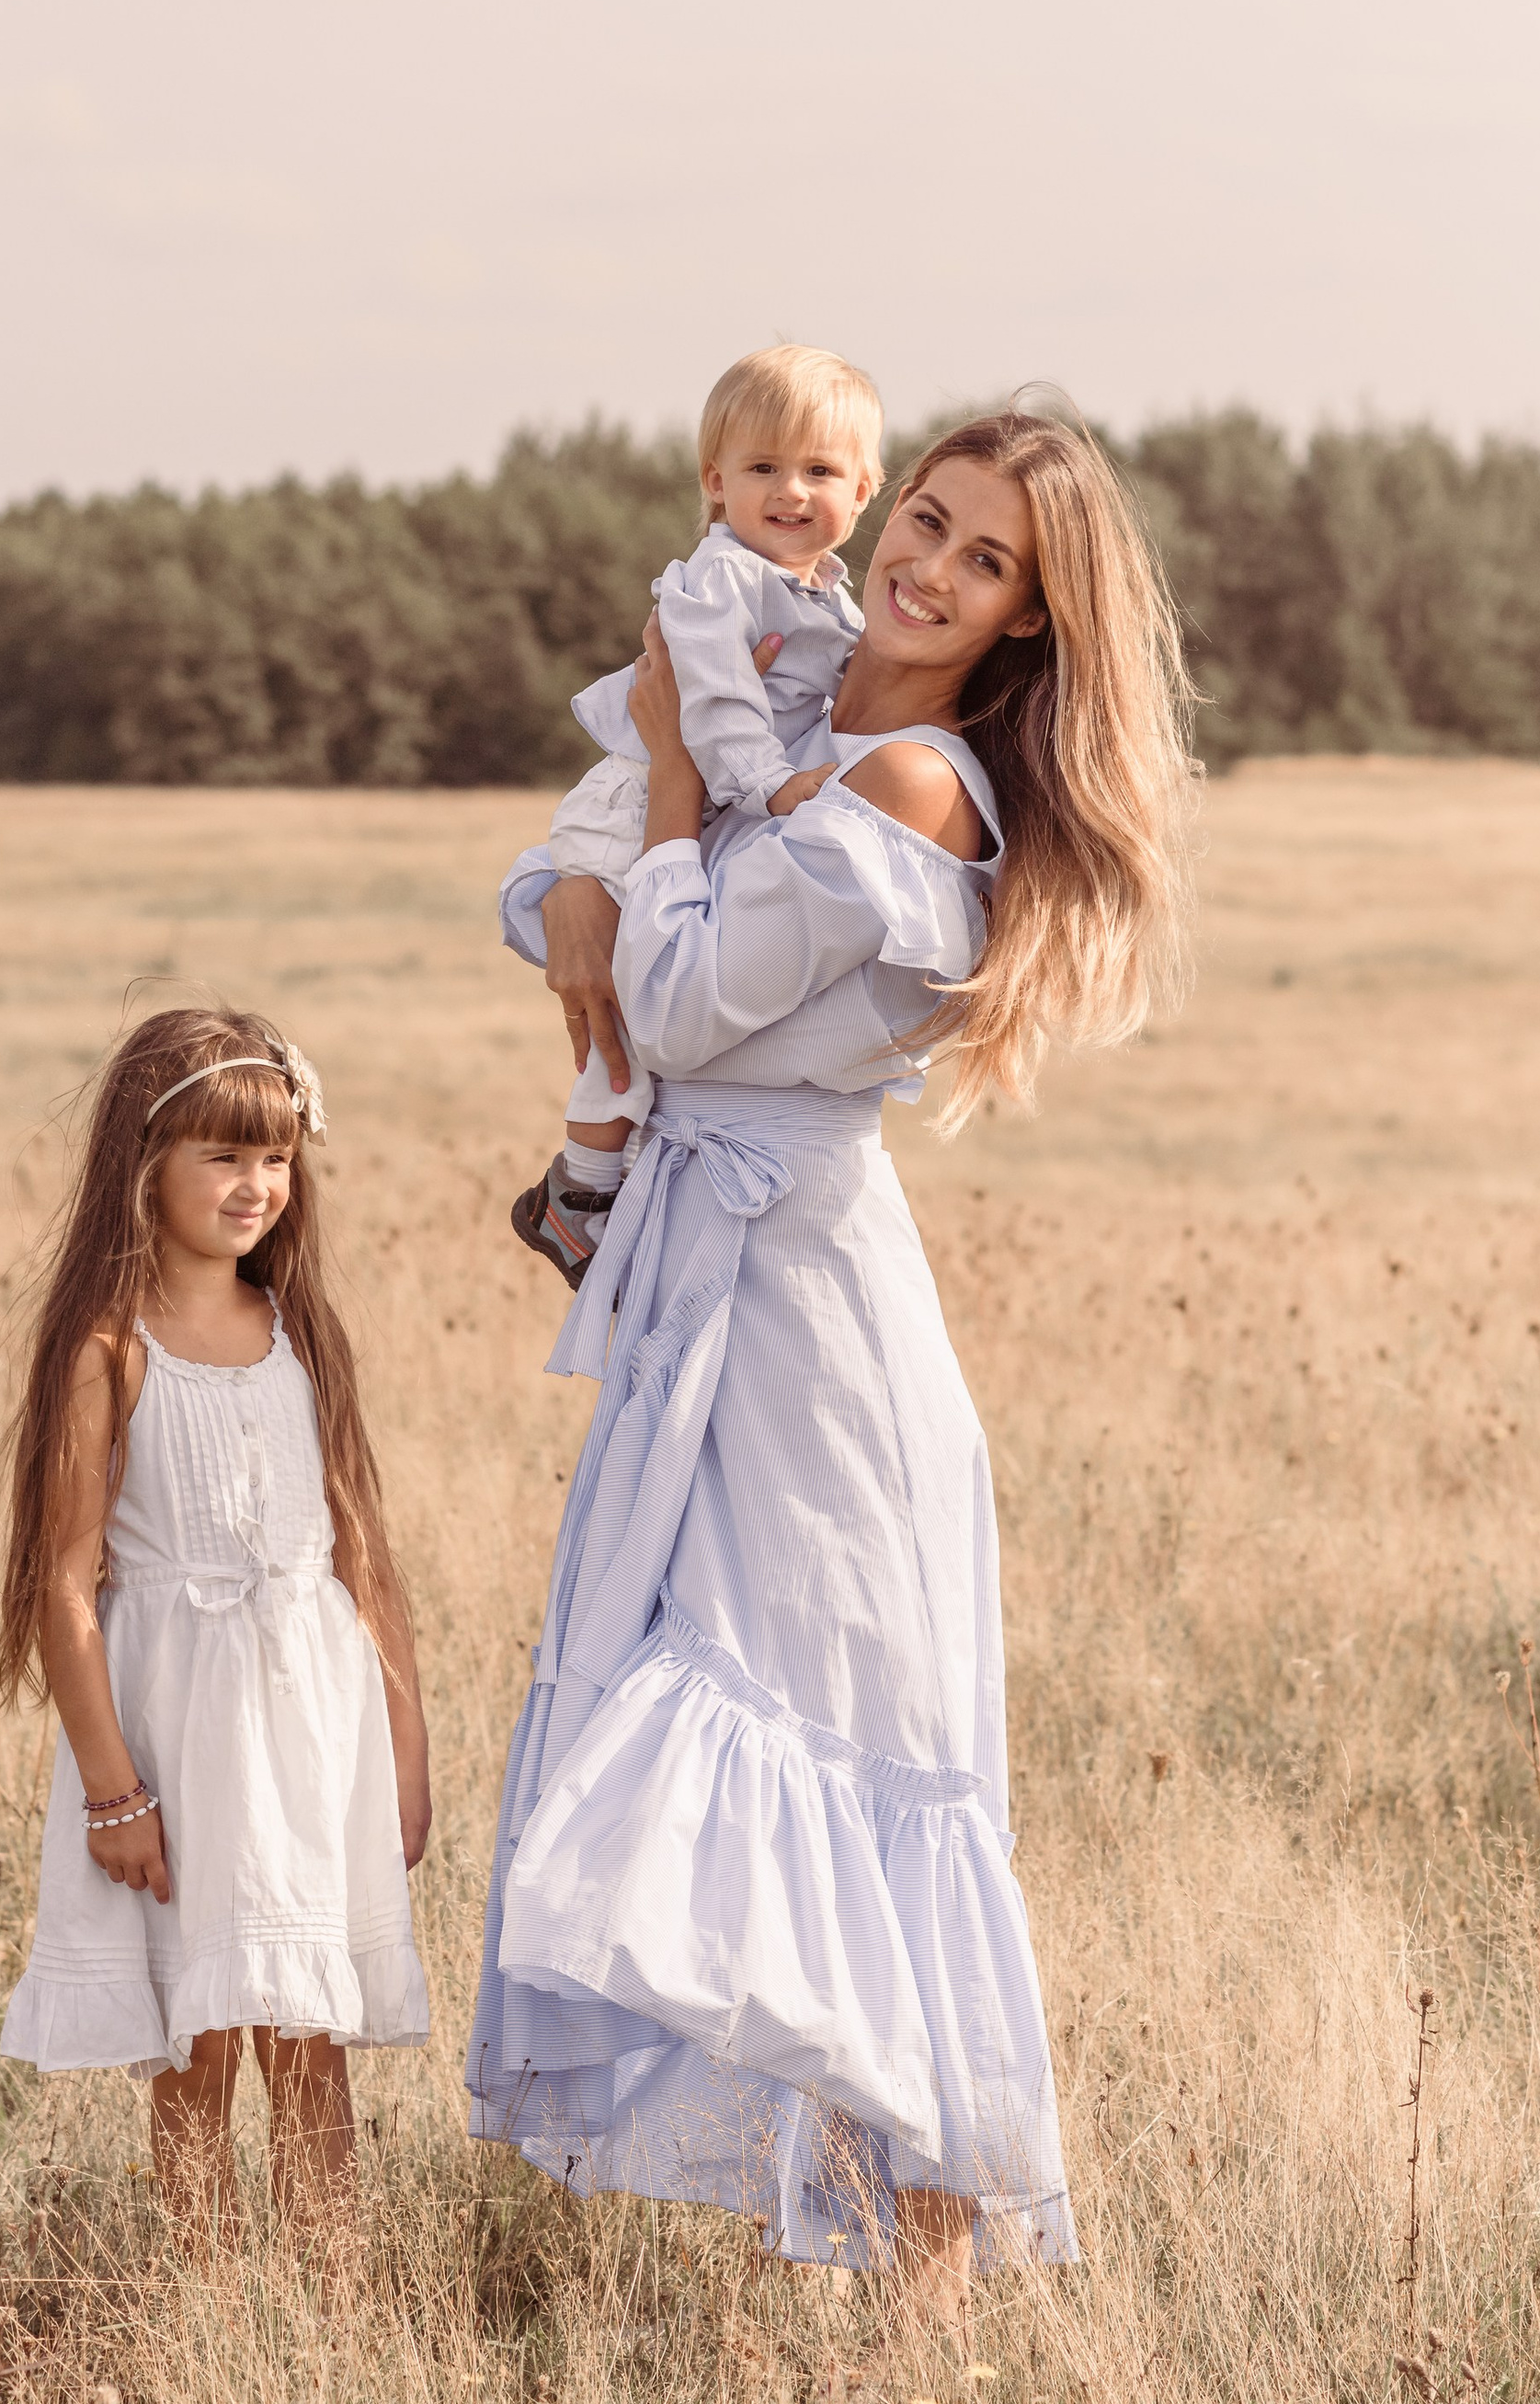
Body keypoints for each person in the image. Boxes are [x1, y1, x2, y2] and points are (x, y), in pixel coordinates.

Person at [471, 407, 1196, 2316]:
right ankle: (867, 2288)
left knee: (855, 1779)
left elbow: (677, 986)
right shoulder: (773, 688)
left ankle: (926, 2315)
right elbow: (560, 894)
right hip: (699, 1293)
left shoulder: (911, 787)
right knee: (710, 1726)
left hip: (809, 1330)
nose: (926, 566)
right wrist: (599, 857)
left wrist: (644, 822)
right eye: (928, 519)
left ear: (1024, 627)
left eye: (983, 565)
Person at [0, 1004, 430, 2241]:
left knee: (310, 2033)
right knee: (199, 2037)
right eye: (222, 1156)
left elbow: (366, 1560)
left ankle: (326, 2313)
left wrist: (406, 1742)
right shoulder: (109, 1351)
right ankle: (207, 2304)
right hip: (179, 1734)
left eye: (276, 1155)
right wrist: (111, 1788)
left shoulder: (302, 1334)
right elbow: (64, 1586)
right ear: (144, 1166)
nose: (255, 1185)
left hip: (311, 1727)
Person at [513, 343, 884, 1286]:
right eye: (762, 468)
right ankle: (582, 1191)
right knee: (631, 1006)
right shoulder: (720, 579)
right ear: (715, 482)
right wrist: (772, 785)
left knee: (650, 993)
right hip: (643, 798)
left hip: (699, 800)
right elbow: (712, 702)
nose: (789, 490)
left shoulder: (830, 598)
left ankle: (598, 1178)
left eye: (819, 470)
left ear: (864, 487)